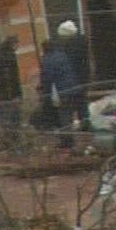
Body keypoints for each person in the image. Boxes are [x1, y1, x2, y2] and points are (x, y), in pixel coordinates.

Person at [39, 21, 90, 149]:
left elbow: (48, 78)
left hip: (63, 90)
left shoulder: (48, 60)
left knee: (65, 115)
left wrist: (45, 94)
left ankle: (68, 140)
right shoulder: (61, 55)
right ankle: (86, 130)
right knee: (81, 108)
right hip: (75, 85)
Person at [0, 35, 24, 152]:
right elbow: (12, 78)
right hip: (10, 95)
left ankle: (9, 142)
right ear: (13, 44)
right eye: (17, 44)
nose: (17, 47)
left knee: (5, 121)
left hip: (3, 95)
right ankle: (13, 144)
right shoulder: (10, 57)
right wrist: (17, 94)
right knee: (13, 120)